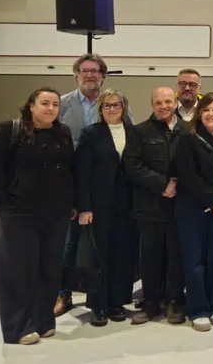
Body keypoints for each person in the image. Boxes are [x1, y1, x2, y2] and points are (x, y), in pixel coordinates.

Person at [0, 87, 74, 345]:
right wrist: (4, 204)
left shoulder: (63, 133)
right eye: (45, 103)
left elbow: (69, 170)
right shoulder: (10, 131)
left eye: (55, 104)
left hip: (55, 213)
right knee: (18, 271)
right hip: (19, 214)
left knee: (49, 269)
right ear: (31, 106)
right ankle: (18, 327)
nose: (50, 109)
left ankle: (43, 321)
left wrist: (71, 203)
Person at [123, 87, 189, 325]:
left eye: (168, 101)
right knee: (149, 257)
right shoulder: (139, 131)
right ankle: (150, 302)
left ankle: (174, 301)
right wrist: (162, 185)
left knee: (176, 256)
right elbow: (132, 166)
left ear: (175, 103)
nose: (164, 106)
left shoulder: (188, 130)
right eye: (159, 102)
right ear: (152, 105)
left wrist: (178, 184)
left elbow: (195, 164)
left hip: (180, 206)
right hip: (149, 205)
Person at [74, 89, 138, 327]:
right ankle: (98, 305)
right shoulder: (91, 133)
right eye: (107, 105)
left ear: (124, 107)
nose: (112, 109)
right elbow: (82, 173)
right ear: (101, 109)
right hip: (99, 205)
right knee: (99, 255)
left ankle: (117, 302)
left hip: (128, 204)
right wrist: (84, 207)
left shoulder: (134, 132)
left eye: (116, 105)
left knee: (123, 254)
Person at [173, 93, 213, 331]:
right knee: (194, 260)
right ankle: (198, 309)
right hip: (193, 207)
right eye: (206, 109)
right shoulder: (187, 139)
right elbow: (188, 176)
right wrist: (211, 200)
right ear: (199, 114)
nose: (211, 114)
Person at [54, 53, 107, 317]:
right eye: (84, 70)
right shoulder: (62, 104)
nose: (89, 75)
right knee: (68, 242)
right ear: (77, 75)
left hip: (103, 185)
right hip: (70, 183)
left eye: (95, 71)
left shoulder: (113, 103)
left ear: (102, 76)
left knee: (101, 243)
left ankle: (100, 294)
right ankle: (62, 292)